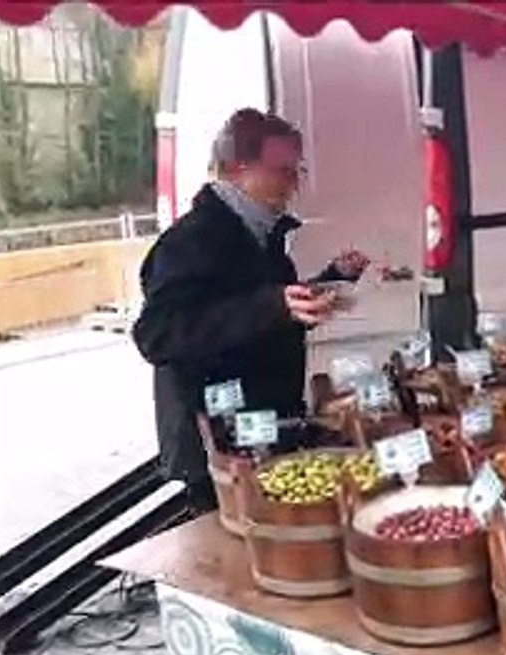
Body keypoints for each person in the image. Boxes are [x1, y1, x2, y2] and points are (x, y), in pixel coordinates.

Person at [132, 108, 370, 512]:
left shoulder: (262, 234)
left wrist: (329, 281)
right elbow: (158, 334)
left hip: (264, 430)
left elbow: (258, 309)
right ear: (238, 168)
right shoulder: (192, 240)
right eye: (282, 171)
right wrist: (274, 305)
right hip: (218, 446)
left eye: (297, 171)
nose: (294, 184)